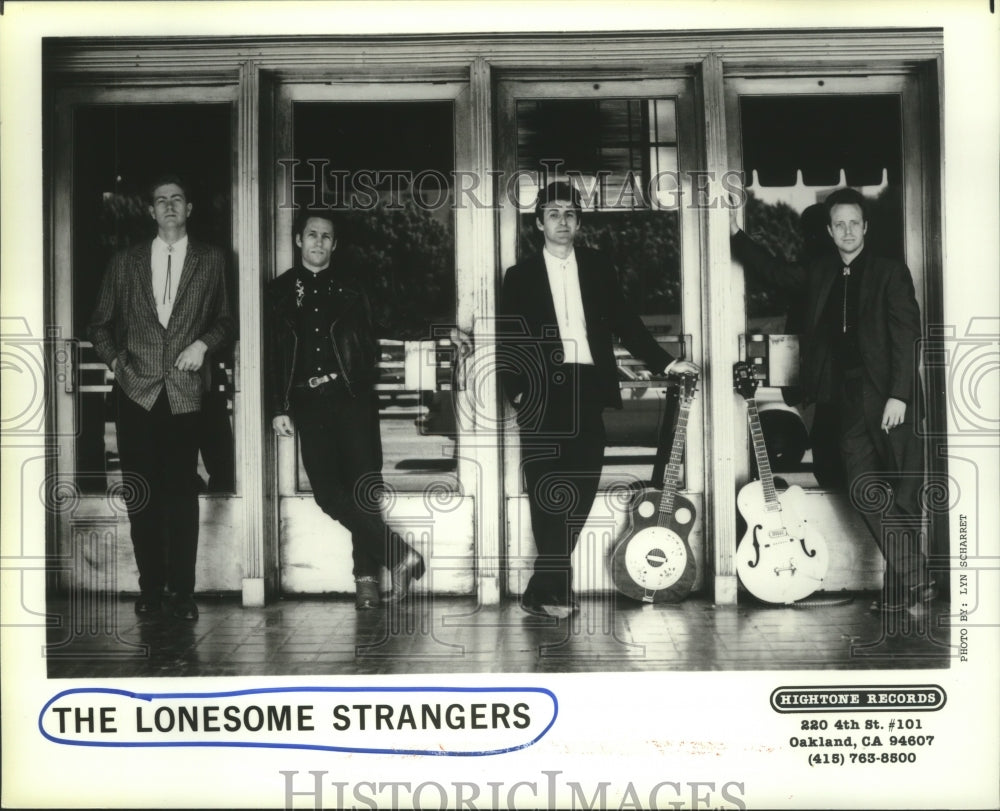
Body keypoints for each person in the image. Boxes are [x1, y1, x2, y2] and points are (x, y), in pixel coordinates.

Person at [730, 186, 936, 616]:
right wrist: (735, 234)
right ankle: (917, 578)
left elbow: (906, 337)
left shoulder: (889, 272)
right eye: (838, 224)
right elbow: (777, 272)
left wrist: (899, 395)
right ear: (829, 229)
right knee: (864, 489)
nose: (847, 230)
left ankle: (901, 593)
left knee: (902, 494)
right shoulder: (820, 270)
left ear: (866, 227)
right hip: (846, 398)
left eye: (854, 223)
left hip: (890, 398)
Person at [499, 181, 699, 618]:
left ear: (579, 222)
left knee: (582, 485)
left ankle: (542, 586)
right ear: (538, 223)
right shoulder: (520, 277)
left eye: (570, 213)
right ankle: (554, 590)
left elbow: (626, 322)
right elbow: (508, 339)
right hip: (540, 391)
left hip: (587, 386)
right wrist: (515, 390)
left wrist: (666, 364)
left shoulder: (597, 267)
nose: (562, 221)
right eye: (553, 213)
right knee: (546, 490)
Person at [89, 173, 234, 620]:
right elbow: (99, 326)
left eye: (177, 199)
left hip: (186, 394)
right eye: (160, 200)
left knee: (180, 494)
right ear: (150, 211)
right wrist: (117, 364)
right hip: (136, 393)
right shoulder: (125, 262)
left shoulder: (211, 260)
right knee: (143, 494)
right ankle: (150, 588)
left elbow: (227, 320)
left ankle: (182, 592)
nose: (169, 206)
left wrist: (202, 345)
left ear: (189, 209)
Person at [265, 209, 425, 610]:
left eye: (326, 236)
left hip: (352, 399)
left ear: (334, 245)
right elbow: (270, 355)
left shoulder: (354, 287)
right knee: (327, 493)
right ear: (298, 240)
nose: (319, 241)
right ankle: (400, 555)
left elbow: (394, 321)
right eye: (312, 234)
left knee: (362, 491)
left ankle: (366, 584)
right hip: (307, 402)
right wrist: (278, 406)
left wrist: (442, 329)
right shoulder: (278, 292)